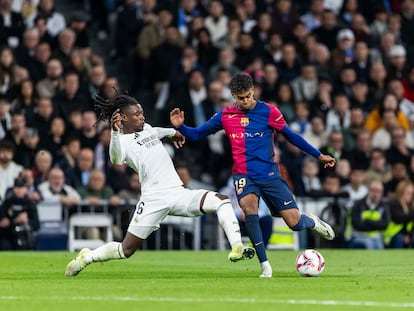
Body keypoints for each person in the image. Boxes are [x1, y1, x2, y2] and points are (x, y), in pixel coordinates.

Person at [65, 90, 255, 277]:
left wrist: (173, 132)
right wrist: (114, 133)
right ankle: (86, 257)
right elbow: (116, 159)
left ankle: (237, 246)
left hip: (178, 193)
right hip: (153, 199)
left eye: (141, 112)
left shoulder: (146, 128)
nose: (142, 116)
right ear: (123, 118)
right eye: (136, 114)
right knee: (126, 250)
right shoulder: (122, 141)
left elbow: (157, 131)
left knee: (221, 200)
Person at [170, 73, 336, 278]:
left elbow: (292, 137)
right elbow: (196, 134)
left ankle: (311, 221)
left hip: (269, 174)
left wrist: (318, 155)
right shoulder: (225, 116)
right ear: (233, 95)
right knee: (250, 210)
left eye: (248, 95)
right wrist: (180, 127)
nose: (246, 100)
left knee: (294, 223)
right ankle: (265, 265)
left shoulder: (269, 111)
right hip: (243, 175)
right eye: (241, 98)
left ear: (253, 91)